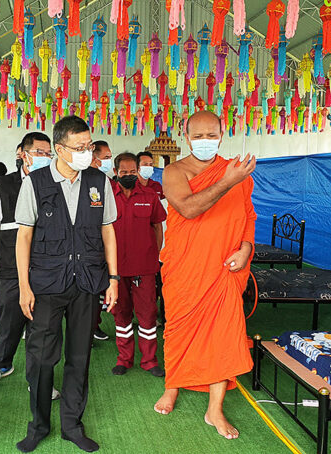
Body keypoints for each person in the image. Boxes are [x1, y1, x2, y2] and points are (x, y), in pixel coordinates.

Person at [15, 115, 119, 453]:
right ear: (60, 149)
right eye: (80, 147)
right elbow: (24, 236)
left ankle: (72, 425)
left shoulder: (99, 181)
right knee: (41, 358)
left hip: (86, 282)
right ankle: (38, 425)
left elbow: (107, 230)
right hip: (46, 284)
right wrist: (24, 286)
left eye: (89, 145)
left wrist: (113, 278)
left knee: (79, 356)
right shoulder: (36, 183)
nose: (88, 152)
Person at [154, 110, 257, 440]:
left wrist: (246, 249)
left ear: (221, 135)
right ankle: (172, 385)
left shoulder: (238, 172)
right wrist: (228, 180)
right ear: (186, 137)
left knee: (222, 335)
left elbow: (249, 216)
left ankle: (215, 409)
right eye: (198, 136)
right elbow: (188, 208)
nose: (205, 142)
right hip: (185, 267)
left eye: (211, 135)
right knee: (177, 328)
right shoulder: (174, 171)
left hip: (223, 268)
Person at [0, 133, 61, 403]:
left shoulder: (55, 183)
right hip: (11, 267)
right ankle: (1, 363)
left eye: (48, 153)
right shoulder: (4, 185)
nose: (45, 158)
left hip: (46, 267)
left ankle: (39, 380)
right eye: (39, 152)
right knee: (9, 320)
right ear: (23, 154)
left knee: (42, 327)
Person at [110, 152, 166, 377]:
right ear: (116, 172)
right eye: (124, 172)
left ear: (138, 171)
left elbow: (158, 227)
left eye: (133, 171)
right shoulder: (107, 197)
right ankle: (124, 359)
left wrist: (154, 254)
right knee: (121, 314)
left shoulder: (150, 195)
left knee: (147, 315)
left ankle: (149, 360)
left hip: (144, 267)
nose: (128, 175)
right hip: (116, 270)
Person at [87, 140, 114, 342]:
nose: (108, 161)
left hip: (105, 243)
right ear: (94, 158)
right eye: (106, 158)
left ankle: (93, 325)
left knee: (98, 289)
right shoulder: (82, 179)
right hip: (89, 246)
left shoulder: (106, 181)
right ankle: (89, 328)